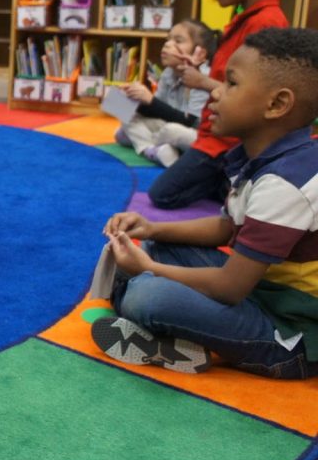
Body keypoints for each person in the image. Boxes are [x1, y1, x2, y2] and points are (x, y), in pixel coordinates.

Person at [92, 28, 318, 380]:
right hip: (264, 291)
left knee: (147, 296)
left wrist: (145, 269)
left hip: (292, 334)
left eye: (230, 84)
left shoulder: (286, 183)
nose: (214, 93)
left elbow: (230, 287)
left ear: (276, 104)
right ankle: (178, 332)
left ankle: (164, 323)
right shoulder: (261, 157)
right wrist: (152, 228)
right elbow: (227, 226)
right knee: (157, 246)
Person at [148, 0, 289, 209]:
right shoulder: (244, 18)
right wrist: (201, 71)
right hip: (214, 133)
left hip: (226, 141)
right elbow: (230, 75)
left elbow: (254, 94)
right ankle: (229, 183)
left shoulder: (265, 23)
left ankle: (227, 182)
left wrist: (202, 82)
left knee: (161, 195)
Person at [115, 19, 217, 167]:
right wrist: (134, 100)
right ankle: (155, 150)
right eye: (168, 39)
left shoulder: (202, 77)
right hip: (166, 127)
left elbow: (190, 122)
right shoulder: (168, 73)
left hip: (195, 134)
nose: (168, 44)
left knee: (171, 131)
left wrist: (151, 101)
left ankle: (144, 143)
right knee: (125, 115)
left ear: (199, 53)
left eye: (178, 41)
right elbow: (159, 112)